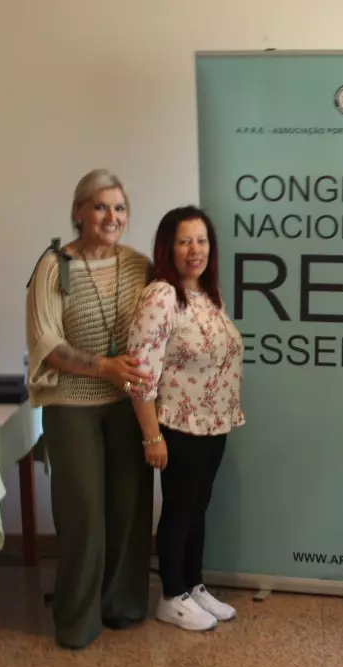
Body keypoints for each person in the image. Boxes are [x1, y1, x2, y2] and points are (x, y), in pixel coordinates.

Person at [25, 169, 155, 650]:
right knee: (82, 511)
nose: (111, 216)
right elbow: (45, 341)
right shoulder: (53, 266)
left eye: (119, 208)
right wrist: (104, 367)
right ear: (78, 212)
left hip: (128, 403)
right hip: (70, 404)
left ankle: (121, 605)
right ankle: (77, 619)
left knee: (128, 507)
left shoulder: (140, 266)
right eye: (101, 206)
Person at [125, 205, 245, 632]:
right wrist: (151, 436)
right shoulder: (161, 296)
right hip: (179, 424)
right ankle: (171, 595)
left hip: (214, 421)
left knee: (198, 507)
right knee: (179, 509)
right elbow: (139, 372)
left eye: (202, 241)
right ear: (168, 248)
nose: (195, 250)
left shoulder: (209, 294)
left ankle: (193, 585)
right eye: (184, 242)